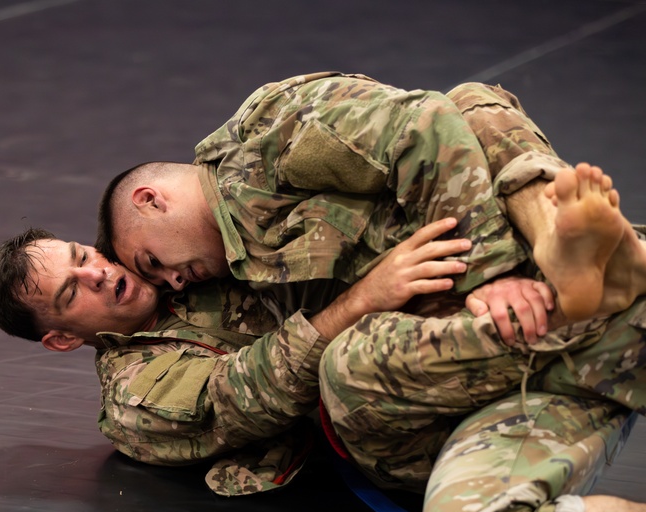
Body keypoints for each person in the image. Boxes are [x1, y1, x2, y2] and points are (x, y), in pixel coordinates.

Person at [0, 225, 646, 512]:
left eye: (83, 255)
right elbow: (248, 391)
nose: (98, 271)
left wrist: (491, 266)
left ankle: (604, 303)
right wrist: (362, 297)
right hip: (459, 415)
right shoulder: (135, 392)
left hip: (501, 314)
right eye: (73, 290)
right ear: (63, 337)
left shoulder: (168, 237)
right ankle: (606, 313)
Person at [96, 73, 646, 324]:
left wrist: (491, 274)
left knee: (470, 104)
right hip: (456, 298)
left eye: (152, 262)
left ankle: (554, 238)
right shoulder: (234, 268)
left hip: (489, 259)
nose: (169, 281)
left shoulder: (267, 142)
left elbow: (423, 123)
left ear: (150, 200)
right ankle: (590, 255)